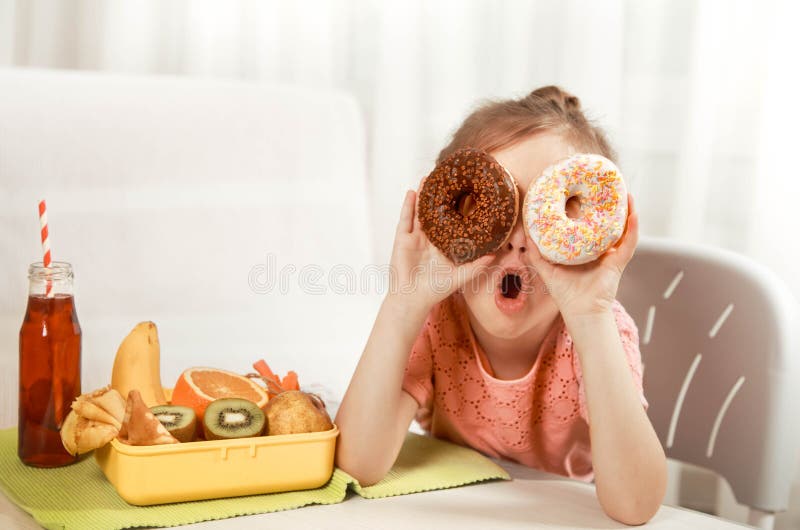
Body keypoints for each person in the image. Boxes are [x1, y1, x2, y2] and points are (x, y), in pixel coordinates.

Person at [335, 86, 667, 525]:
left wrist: (591, 318)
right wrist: (403, 302)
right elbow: (357, 464)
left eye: (546, 213)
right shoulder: (437, 318)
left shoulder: (598, 331)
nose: (515, 238)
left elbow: (636, 505)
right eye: (494, 210)